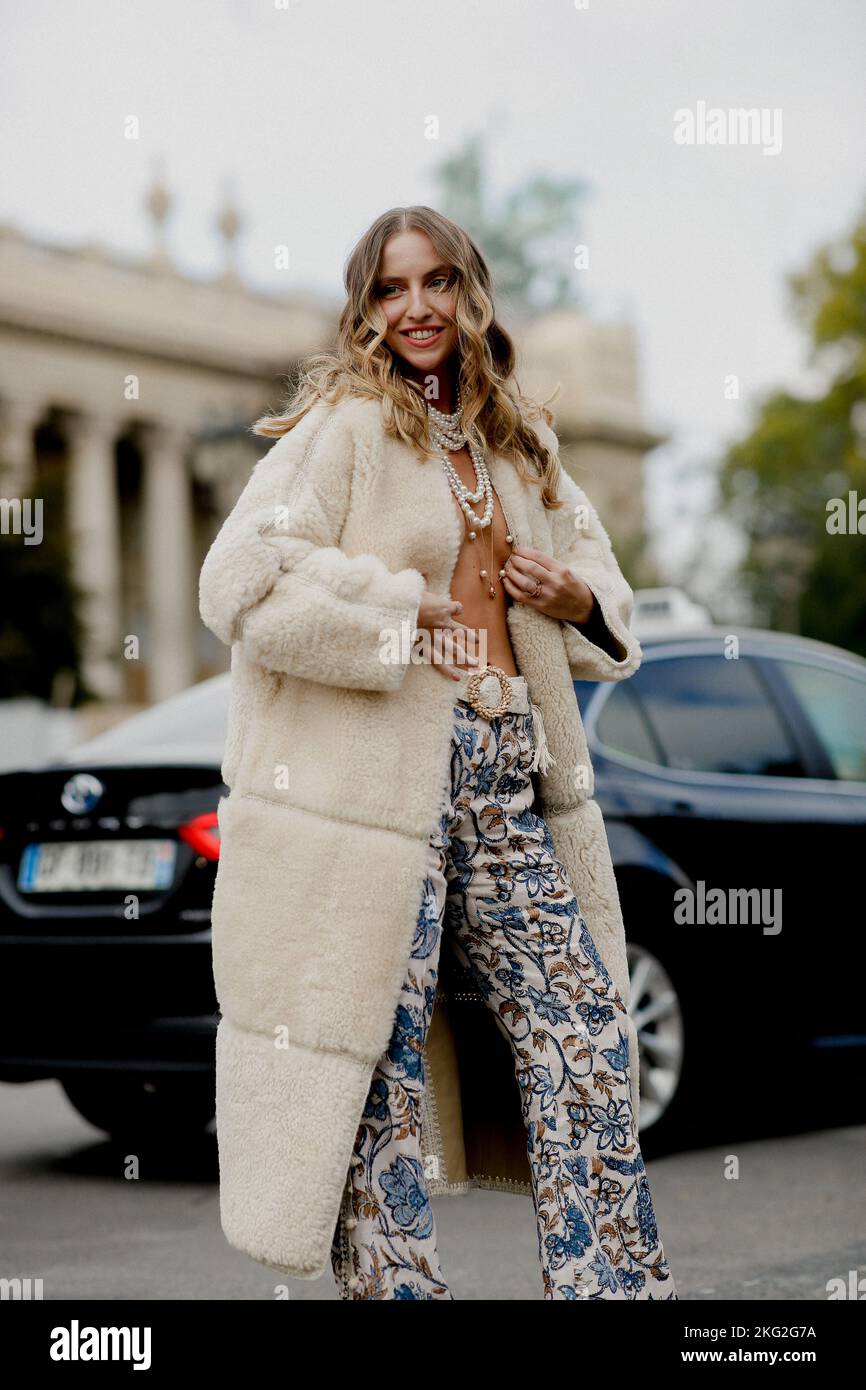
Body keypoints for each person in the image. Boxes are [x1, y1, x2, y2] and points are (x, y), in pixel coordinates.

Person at [198, 205, 678, 1301]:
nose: (416, 307)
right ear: (366, 307)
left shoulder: (519, 442)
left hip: (509, 780)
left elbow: (610, 607)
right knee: (380, 1065)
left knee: (586, 1036)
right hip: (383, 792)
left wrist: (577, 598)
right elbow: (238, 584)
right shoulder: (344, 430)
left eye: (436, 281)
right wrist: (394, 612)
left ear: (471, 292)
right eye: (390, 287)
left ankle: (609, 1291)